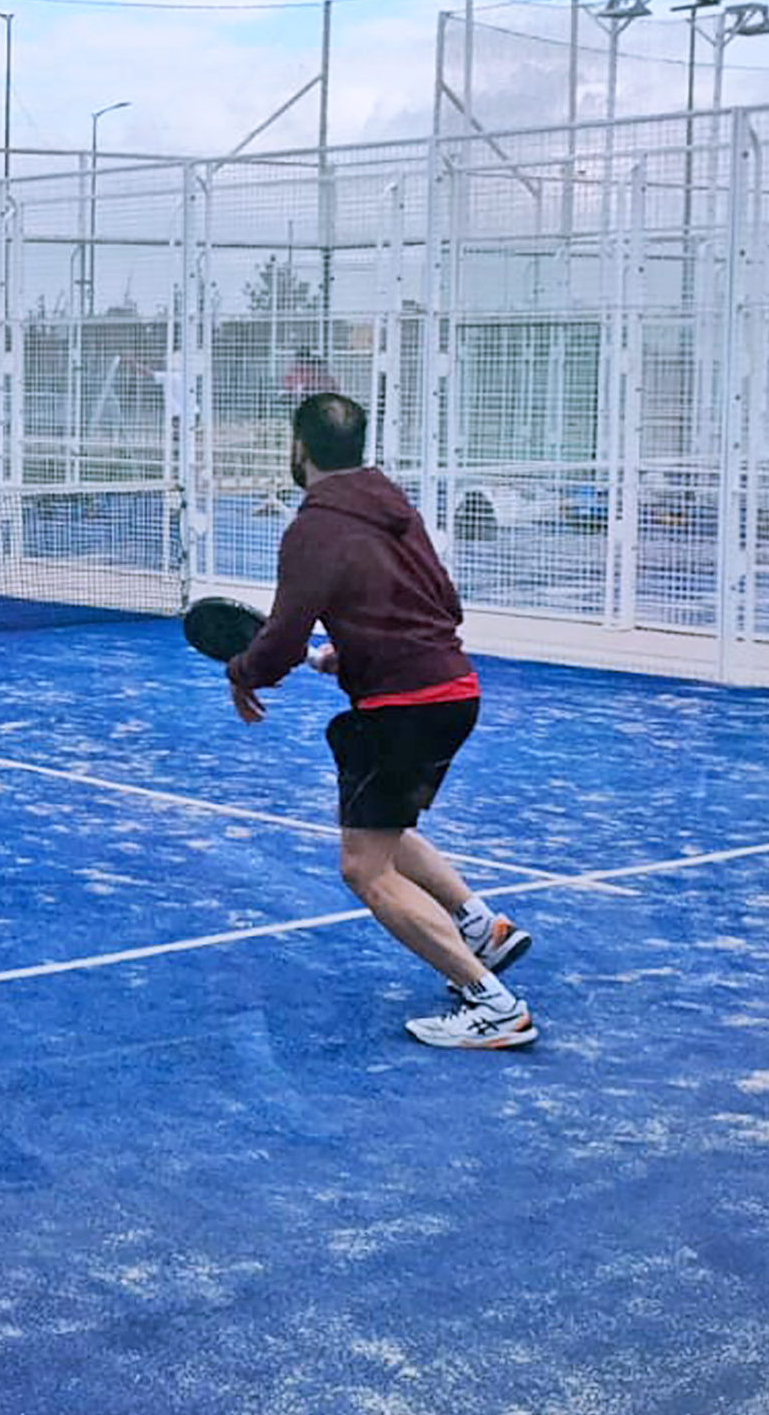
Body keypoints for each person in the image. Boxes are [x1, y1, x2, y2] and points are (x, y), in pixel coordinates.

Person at [224, 391, 537, 1049]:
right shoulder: (396, 506)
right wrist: (359, 650)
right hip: (453, 692)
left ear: (299, 448)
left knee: (364, 868)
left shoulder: (313, 529)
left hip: (404, 710)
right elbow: (441, 600)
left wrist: (244, 673)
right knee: (385, 827)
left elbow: (281, 640)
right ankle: (481, 925)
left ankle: (493, 1004)